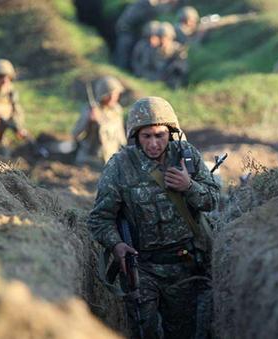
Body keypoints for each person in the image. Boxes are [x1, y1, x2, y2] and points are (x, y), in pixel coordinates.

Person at [88, 96, 220, 338]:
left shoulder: (187, 157)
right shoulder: (120, 166)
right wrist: (116, 245)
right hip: (142, 267)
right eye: (146, 136)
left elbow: (213, 201)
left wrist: (189, 186)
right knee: (144, 331)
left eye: (159, 135)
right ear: (135, 136)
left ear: (171, 132)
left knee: (182, 332)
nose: (153, 144)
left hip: (184, 266)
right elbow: (100, 218)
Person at [72, 76, 127, 165]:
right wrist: (88, 121)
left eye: (115, 94)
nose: (112, 98)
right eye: (109, 95)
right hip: (90, 160)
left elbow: (121, 137)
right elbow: (76, 135)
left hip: (110, 160)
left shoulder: (117, 110)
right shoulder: (89, 111)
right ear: (102, 95)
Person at [114, 0, 178, 71]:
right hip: (127, 31)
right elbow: (131, 21)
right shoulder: (145, 5)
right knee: (125, 49)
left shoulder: (154, 7)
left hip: (133, 32)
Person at [152, 22, 188, 89]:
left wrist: (173, 66)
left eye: (164, 37)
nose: (162, 40)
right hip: (157, 78)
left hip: (172, 78)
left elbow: (183, 67)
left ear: (170, 37)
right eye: (160, 37)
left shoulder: (178, 49)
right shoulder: (154, 49)